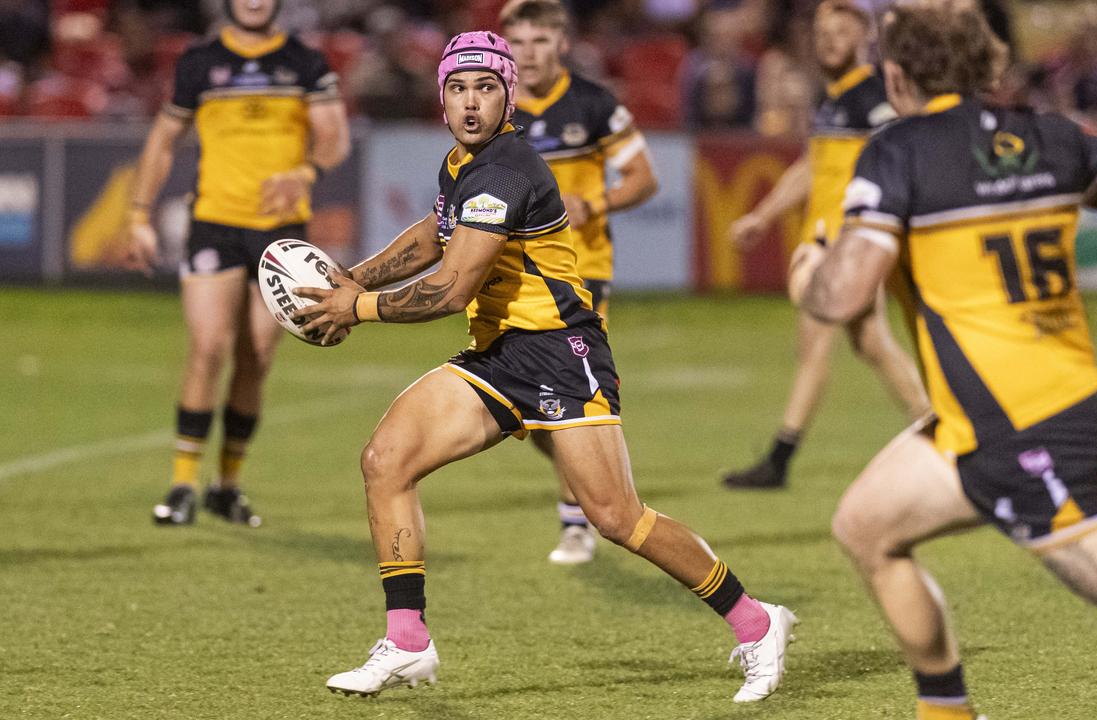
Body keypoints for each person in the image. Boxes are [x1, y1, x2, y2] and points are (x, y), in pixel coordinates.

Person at [794, 5, 1097, 718]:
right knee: (866, 527)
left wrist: (810, 268)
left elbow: (842, 296)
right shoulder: (1049, 137)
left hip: (1030, 439)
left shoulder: (898, 152)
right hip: (987, 425)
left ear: (895, 76)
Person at [292, 31, 796, 702]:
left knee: (617, 518)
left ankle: (757, 622)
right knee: (386, 460)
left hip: (561, 353)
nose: (471, 103)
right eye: (458, 89)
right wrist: (349, 279)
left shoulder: (506, 170)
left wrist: (357, 309)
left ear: (509, 96)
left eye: (486, 88)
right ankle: (408, 640)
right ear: (442, 98)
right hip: (499, 355)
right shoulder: (461, 163)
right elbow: (429, 234)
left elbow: (451, 288)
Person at [126, 0, 350, 527]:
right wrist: (138, 213)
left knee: (256, 360)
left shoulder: (306, 63)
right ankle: (183, 483)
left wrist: (306, 171)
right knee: (207, 347)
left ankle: (227, 485)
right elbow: (163, 140)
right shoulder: (198, 62)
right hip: (214, 222)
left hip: (281, 231)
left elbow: (334, 139)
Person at [723, 0, 929, 490]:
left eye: (841, 31)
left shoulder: (874, 98)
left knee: (818, 338)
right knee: (871, 342)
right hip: (833, 237)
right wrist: (763, 215)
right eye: (822, 32)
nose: (829, 40)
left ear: (864, 38)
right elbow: (812, 166)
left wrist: (867, 234)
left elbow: (903, 158)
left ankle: (780, 457)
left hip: (851, 240)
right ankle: (936, 428)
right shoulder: (835, 99)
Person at [502, 0, 659, 566]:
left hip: (578, 273)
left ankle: (576, 525)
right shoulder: (497, 106)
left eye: (540, 41)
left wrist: (594, 202)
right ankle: (598, 472)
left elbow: (644, 178)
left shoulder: (594, 104)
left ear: (561, 43)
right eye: (518, 43)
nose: (530, 54)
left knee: (568, 393)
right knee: (530, 411)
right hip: (509, 276)